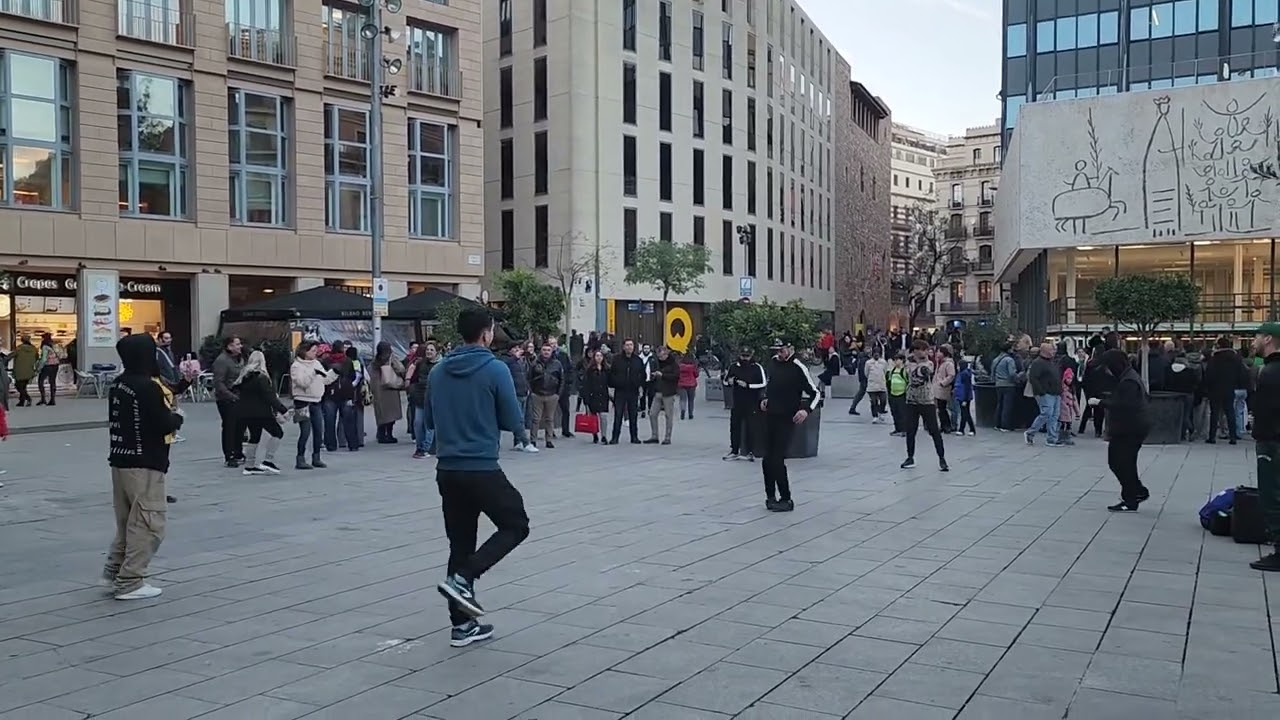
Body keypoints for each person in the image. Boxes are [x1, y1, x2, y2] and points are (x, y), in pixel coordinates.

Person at [426, 307, 532, 647]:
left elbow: (429, 421)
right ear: (486, 334)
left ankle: (462, 626)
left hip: (447, 470)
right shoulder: (495, 369)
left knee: (460, 543)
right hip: (481, 467)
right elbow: (513, 421)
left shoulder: (438, 371)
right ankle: (465, 577)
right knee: (516, 523)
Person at [103, 333, 185, 600]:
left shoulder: (118, 384)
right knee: (149, 522)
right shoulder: (146, 386)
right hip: (145, 461)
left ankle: (114, 570)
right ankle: (130, 581)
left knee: (127, 521)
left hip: (120, 459)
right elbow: (162, 423)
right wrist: (177, 418)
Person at [758, 338, 820, 512]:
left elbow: (815, 393)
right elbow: (770, 386)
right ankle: (770, 496)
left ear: (790, 348)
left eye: (782, 350)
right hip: (771, 416)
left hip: (787, 419)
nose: (779, 354)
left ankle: (786, 498)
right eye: (777, 351)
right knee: (767, 459)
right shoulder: (773, 364)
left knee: (777, 460)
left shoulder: (798, 367)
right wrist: (765, 398)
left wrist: (805, 410)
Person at [1090, 349, 1151, 512]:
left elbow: (1125, 405)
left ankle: (1133, 495)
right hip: (1132, 427)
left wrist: (1100, 402)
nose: (1107, 372)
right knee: (1125, 463)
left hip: (1130, 428)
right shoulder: (1128, 376)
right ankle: (1135, 493)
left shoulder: (1128, 381)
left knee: (1120, 462)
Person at [1248, 322, 1280, 571]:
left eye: (1257, 336)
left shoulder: (1269, 372)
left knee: (1272, 495)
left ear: (1268, 339)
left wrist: (1257, 429)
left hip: (1272, 442)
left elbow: (1267, 410)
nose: (1253, 341)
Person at [234, 350, 288, 475]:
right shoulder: (261, 377)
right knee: (278, 432)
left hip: (246, 413)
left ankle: (249, 465)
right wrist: (283, 410)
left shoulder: (244, 376)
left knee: (254, 436)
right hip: (261, 412)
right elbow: (270, 397)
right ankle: (268, 460)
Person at [901, 340, 948, 471]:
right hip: (911, 401)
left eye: (925, 349)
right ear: (915, 351)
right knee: (911, 431)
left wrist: (919, 363)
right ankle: (910, 457)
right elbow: (910, 373)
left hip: (927, 401)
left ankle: (942, 458)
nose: (924, 352)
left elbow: (925, 371)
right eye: (921, 349)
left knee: (934, 431)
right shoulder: (908, 364)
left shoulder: (930, 363)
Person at [290, 341, 338, 470]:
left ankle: (316, 457)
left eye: (316, 350)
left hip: (316, 401)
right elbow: (302, 383)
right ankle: (300, 458)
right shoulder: (296, 366)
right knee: (305, 432)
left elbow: (325, 379)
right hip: (302, 401)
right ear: (304, 352)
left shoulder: (317, 363)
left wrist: (335, 372)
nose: (315, 353)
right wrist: (313, 373)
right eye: (312, 351)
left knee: (318, 430)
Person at [723, 347, 767, 461]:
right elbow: (725, 381)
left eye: (747, 356)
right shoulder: (734, 366)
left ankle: (750, 451)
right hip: (737, 402)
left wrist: (748, 385)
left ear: (751, 356)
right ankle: (734, 450)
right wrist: (729, 382)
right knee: (734, 426)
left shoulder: (757, 367)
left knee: (751, 427)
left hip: (752, 402)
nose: (745, 358)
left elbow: (763, 383)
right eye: (743, 356)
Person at [1205, 336, 1248, 445]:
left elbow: (1209, 375)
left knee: (1214, 413)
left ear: (1219, 345)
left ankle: (1212, 436)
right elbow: (1242, 374)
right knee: (1230, 412)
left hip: (1215, 389)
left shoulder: (1214, 358)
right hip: (1230, 388)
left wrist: (1208, 387)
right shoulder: (1236, 358)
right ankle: (1233, 437)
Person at [212, 336, 245, 467]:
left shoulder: (238, 358)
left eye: (240, 343)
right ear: (229, 346)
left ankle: (238, 451)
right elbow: (218, 382)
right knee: (230, 427)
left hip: (239, 396)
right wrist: (230, 395)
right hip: (227, 399)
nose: (240, 346)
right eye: (237, 344)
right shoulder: (222, 360)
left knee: (240, 427)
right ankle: (229, 454)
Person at [1025, 343, 1064, 447]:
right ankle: (1031, 432)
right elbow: (1033, 378)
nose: (1054, 352)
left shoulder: (1052, 362)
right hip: (1046, 393)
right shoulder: (1038, 363)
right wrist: (1041, 391)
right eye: (1051, 350)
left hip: (1056, 393)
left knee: (1054, 416)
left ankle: (1052, 438)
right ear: (1044, 351)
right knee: (1046, 413)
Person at [608, 339, 646, 444]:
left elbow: (642, 375)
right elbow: (612, 374)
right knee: (618, 414)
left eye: (631, 345)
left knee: (633, 415)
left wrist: (639, 385)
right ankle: (615, 437)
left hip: (633, 391)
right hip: (620, 391)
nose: (629, 347)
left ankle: (634, 437)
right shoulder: (617, 359)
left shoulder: (638, 360)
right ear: (623, 347)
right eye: (627, 345)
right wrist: (616, 383)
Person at [527, 343, 564, 448]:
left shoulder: (557, 364)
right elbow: (529, 378)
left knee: (550, 419)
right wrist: (531, 391)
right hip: (537, 394)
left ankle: (549, 440)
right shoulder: (535, 363)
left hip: (552, 395)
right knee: (536, 419)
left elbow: (562, 379)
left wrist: (558, 394)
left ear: (552, 351)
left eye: (548, 350)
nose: (546, 352)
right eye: (544, 350)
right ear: (541, 351)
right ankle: (533, 439)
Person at [408, 342, 440, 458]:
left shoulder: (440, 365)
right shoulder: (420, 363)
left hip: (433, 398)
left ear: (436, 352)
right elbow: (414, 378)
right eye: (427, 350)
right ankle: (419, 447)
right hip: (420, 397)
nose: (429, 352)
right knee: (417, 423)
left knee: (429, 425)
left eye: (432, 350)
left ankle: (425, 448)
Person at [370, 341, 406, 444]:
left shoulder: (374, 361)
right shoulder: (390, 358)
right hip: (390, 388)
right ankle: (389, 435)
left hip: (378, 390)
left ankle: (381, 434)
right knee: (391, 414)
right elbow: (400, 369)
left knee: (382, 413)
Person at [500, 344, 534, 451]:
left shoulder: (521, 361)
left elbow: (525, 375)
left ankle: (517, 442)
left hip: (523, 391)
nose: (518, 351)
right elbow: (504, 365)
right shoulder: (507, 360)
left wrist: (528, 388)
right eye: (515, 349)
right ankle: (525, 443)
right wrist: (515, 357)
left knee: (522, 418)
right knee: (519, 418)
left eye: (518, 348)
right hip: (515, 392)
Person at [646, 346, 679, 444]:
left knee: (668, 415)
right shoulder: (656, 362)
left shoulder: (673, 364)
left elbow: (676, 376)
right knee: (652, 414)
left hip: (668, 392)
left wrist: (663, 375)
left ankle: (667, 437)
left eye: (661, 356)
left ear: (666, 354)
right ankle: (654, 436)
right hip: (657, 391)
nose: (660, 358)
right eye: (658, 356)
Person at [580, 349, 612, 444]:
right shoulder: (590, 370)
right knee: (593, 417)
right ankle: (595, 434)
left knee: (603, 416)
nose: (599, 358)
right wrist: (586, 399)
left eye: (600, 356)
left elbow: (610, 381)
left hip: (603, 395)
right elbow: (586, 384)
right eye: (597, 356)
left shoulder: (606, 369)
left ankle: (604, 436)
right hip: (592, 396)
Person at [549, 336, 575, 438]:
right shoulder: (547, 356)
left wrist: (569, 382)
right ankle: (551, 431)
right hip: (551, 388)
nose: (553, 346)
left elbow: (569, 369)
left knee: (565, 409)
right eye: (551, 344)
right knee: (551, 411)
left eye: (554, 343)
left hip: (564, 387)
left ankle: (566, 430)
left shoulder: (563, 355)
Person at [992, 343, 1019, 431]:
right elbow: (1012, 374)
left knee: (999, 404)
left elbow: (992, 373)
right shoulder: (1009, 360)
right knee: (1007, 405)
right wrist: (1018, 378)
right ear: (1009, 350)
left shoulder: (996, 359)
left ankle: (997, 424)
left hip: (998, 384)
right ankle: (1005, 425)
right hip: (1008, 385)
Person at [933, 345, 957, 434]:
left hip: (943, 389)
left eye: (939, 352)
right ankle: (943, 425)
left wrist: (943, 383)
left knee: (942, 408)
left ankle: (947, 425)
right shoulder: (940, 362)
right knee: (940, 408)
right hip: (938, 388)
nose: (937, 353)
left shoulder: (948, 363)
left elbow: (951, 375)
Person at [863, 347, 889, 424]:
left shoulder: (883, 362)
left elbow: (885, 371)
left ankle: (881, 412)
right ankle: (875, 416)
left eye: (878, 353)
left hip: (881, 384)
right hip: (872, 385)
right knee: (873, 402)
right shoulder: (868, 363)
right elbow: (866, 373)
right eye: (875, 353)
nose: (876, 355)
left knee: (883, 400)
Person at [10, 335, 38, 407]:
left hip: (19, 370)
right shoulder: (34, 349)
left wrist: (4, 359)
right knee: (23, 386)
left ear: (22, 340)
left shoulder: (19, 348)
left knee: (18, 385)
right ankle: (21, 401)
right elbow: (37, 358)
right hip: (29, 370)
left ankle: (28, 398)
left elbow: (11, 356)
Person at [887, 353, 909, 436]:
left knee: (902, 413)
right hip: (893, 394)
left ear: (902, 360)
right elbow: (889, 381)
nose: (895, 361)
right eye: (895, 360)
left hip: (902, 394)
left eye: (897, 360)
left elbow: (908, 382)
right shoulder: (892, 371)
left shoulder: (904, 371)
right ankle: (897, 428)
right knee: (894, 412)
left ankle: (904, 429)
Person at [36, 333, 61, 406]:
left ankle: (43, 399)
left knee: (40, 381)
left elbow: (44, 359)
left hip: (47, 365)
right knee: (52, 382)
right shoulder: (53, 345)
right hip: (55, 365)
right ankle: (52, 400)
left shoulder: (45, 347)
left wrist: (39, 367)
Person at [953, 358, 976, 436]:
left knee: (965, 413)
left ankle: (967, 429)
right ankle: (964, 429)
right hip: (962, 396)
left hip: (964, 397)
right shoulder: (963, 373)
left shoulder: (964, 374)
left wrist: (965, 399)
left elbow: (967, 387)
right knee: (965, 413)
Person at [1059, 367, 1079, 445]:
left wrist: (1077, 413)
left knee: (1068, 425)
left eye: (1070, 378)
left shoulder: (1072, 389)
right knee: (1063, 424)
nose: (1069, 380)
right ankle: (1062, 438)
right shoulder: (1062, 388)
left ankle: (1066, 438)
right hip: (1063, 410)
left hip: (1069, 411)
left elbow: (1075, 402)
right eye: (1068, 378)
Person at [404, 341, 420, 439]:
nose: (416, 349)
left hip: (416, 387)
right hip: (413, 387)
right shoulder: (408, 360)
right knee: (412, 408)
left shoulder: (420, 360)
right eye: (414, 347)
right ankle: (411, 428)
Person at [677, 352, 699, 420]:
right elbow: (696, 374)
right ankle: (690, 414)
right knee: (691, 400)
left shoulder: (679, 366)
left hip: (681, 384)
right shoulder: (693, 366)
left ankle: (683, 410)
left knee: (683, 399)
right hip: (691, 384)